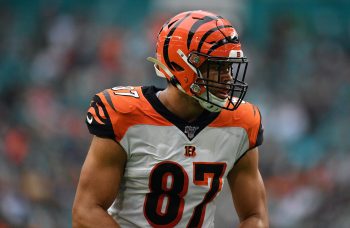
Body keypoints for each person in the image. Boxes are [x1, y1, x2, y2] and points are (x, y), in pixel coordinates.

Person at [72, 10, 269, 228]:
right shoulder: (124, 115)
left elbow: (255, 216)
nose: (228, 78)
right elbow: (86, 211)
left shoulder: (241, 122)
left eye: (229, 67)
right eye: (217, 67)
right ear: (182, 65)